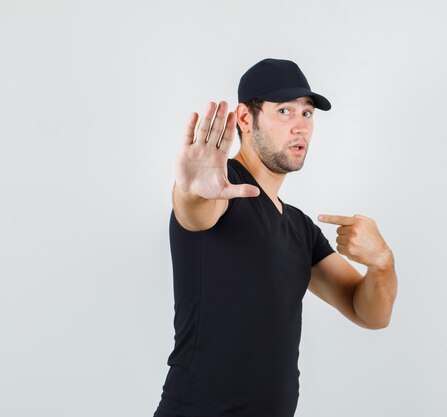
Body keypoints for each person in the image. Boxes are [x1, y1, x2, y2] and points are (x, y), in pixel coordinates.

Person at [153, 58, 398, 417]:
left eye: (308, 114)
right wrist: (192, 192)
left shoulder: (300, 228)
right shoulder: (224, 191)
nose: (300, 127)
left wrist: (382, 263)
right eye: (285, 111)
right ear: (244, 119)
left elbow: (369, 313)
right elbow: (194, 211)